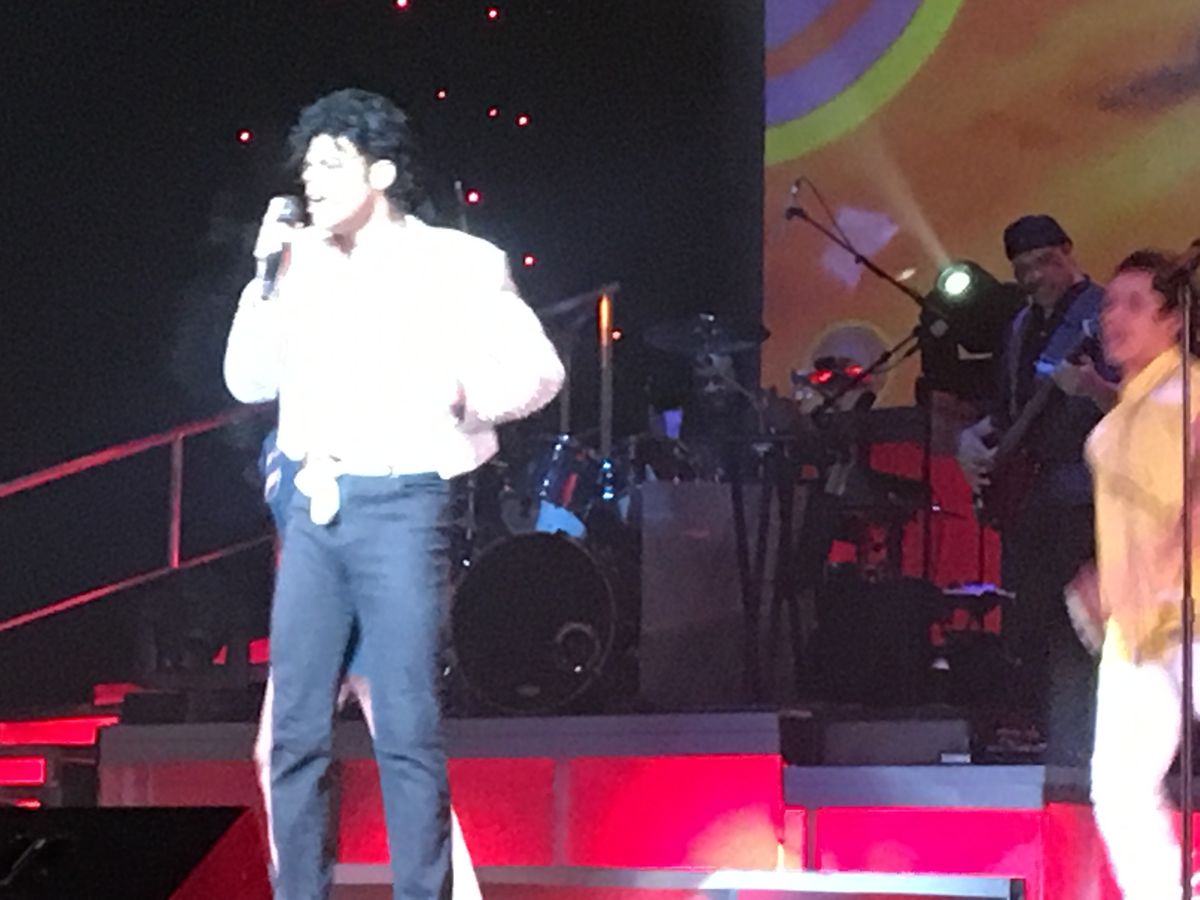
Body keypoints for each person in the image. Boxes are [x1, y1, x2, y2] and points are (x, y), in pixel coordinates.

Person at [223, 88, 565, 899]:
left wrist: (466, 394)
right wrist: (263, 280)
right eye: (307, 167)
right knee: (295, 733)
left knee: (407, 729)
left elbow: (540, 371)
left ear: (380, 172)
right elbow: (246, 380)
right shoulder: (296, 265)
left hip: (404, 506)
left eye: (330, 164)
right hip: (314, 510)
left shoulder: (457, 263)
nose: (312, 182)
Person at [254, 431, 481, 900]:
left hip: (373, 615)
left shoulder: (354, 425)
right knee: (276, 751)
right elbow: (289, 540)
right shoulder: (279, 444)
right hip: (317, 616)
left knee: (405, 753)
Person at [956, 214, 1118, 765]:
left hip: (1086, 494)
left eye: (1044, 262)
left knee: (1082, 629)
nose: (1034, 277)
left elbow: (1143, 404)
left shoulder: (1105, 313)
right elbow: (1006, 411)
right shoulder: (1021, 325)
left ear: (1068, 251)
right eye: (1022, 269)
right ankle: (1046, 741)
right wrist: (971, 440)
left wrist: (1093, 387)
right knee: (1031, 623)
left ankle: (1089, 748)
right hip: (1029, 499)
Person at [1080, 249, 1200, 899]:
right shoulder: (1127, 407)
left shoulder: (1190, 391)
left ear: (1173, 319)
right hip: (1135, 629)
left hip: (1191, 608)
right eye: (1108, 304)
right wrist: (1107, 577)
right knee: (1121, 791)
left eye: (1134, 304)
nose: (1114, 317)